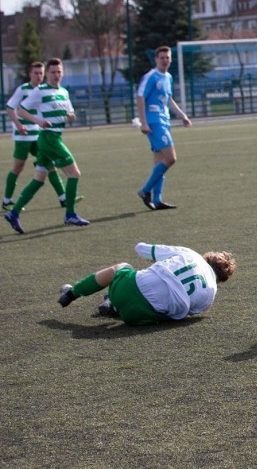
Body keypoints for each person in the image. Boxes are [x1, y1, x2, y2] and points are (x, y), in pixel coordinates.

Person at [4, 58, 89, 233]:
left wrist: (71, 115)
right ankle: (70, 214)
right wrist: (38, 121)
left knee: (39, 180)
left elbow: (69, 111)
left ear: (62, 73)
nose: (56, 75)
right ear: (47, 74)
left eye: (59, 71)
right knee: (74, 174)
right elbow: (20, 110)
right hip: (49, 139)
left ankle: (14, 213)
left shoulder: (64, 91)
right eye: (53, 72)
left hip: (54, 137)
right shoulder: (40, 91)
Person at [58, 242, 236, 326]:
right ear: (220, 279)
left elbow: (141, 248)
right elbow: (186, 314)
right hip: (140, 317)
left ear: (206, 257)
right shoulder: (211, 294)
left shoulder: (190, 254)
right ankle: (112, 305)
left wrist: (156, 259)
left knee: (122, 267)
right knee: (171, 309)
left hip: (129, 287)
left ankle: (73, 292)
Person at [3, 61, 73, 210]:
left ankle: (63, 198)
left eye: (41, 73)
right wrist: (19, 125)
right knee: (18, 166)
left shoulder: (46, 90)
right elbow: (10, 108)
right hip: (23, 136)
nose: (38, 76)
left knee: (50, 166)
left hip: (39, 135)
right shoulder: (23, 90)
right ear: (30, 74)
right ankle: (7, 200)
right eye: (36, 73)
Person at [136, 46, 192, 211]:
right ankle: (145, 191)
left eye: (167, 57)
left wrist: (183, 116)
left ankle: (158, 199)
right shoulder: (151, 76)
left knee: (160, 162)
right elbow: (140, 97)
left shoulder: (168, 77)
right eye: (162, 57)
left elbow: (169, 100)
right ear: (156, 59)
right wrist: (143, 122)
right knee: (171, 158)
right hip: (154, 122)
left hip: (164, 121)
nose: (165, 60)